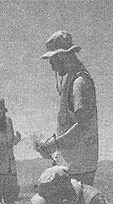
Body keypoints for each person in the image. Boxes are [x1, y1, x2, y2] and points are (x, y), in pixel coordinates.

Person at [35, 31, 98, 186]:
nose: (51, 66)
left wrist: (53, 145)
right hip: (72, 163)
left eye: (52, 60)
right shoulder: (72, 78)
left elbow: (82, 126)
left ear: (62, 56)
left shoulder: (79, 82)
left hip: (79, 168)